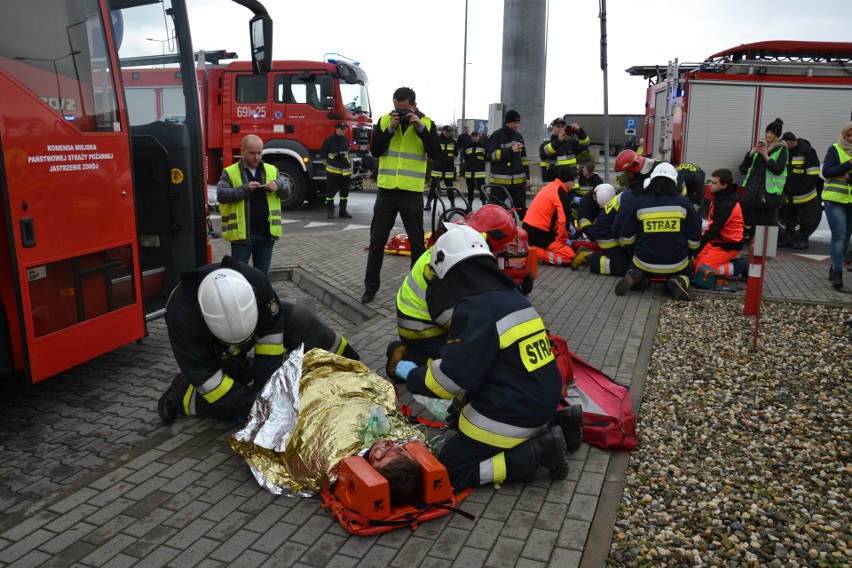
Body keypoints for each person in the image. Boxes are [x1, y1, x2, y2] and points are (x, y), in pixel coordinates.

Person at [393, 226, 570, 489]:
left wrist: (412, 375)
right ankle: (564, 422)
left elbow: (450, 381)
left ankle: (536, 454)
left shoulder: (474, 310)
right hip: (543, 398)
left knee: (448, 469)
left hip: (516, 412)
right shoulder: (511, 296)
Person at [157, 256, 360, 424]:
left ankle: (350, 362)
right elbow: (205, 375)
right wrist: (250, 408)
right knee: (221, 396)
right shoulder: (181, 316)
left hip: (255, 325)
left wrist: (266, 388)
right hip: (216, 350)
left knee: (299, 319)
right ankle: (178, 393)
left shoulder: (254, 281)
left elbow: (270, 340)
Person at [230, 348, 427, 505]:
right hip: (340, 383)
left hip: (307, 391)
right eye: (398, 448)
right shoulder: (399, 440)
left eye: (383, 453)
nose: (387, 443)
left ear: (372, 470)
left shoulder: (332, 463)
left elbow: (307, 445)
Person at [389, 204, 520, 372]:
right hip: (420, 329)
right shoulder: (461, 260)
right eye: (502, 248)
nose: (500, 253)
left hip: (422, 319)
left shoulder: (461, 246)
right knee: (467, 363)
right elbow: (449, 311)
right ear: (491, 239)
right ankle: (404, 357)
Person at [362, 86, 441, 304]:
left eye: (404, 109)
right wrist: (390, 129)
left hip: (411, 193)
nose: (400, 113)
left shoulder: (427, 123)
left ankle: (418, 290)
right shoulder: (385, 120)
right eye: (397, 109)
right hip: (386, 191)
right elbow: (376, 151)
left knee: (417, 244)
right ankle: (370, 288)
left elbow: (436, 153)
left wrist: (421, 129)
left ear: (414, 105)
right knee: (377, 242)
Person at [614, 163, 703, 301]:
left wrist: (633, 249)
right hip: (676, 261)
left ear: (652, 180)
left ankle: (638, 278)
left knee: (632, 267)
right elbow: (695, 232)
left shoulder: (640, 202)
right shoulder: (683, 203)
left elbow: (626, 234)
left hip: (644, 260)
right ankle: (678, 281)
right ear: (675, 182)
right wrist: (691, 252)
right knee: (687, 273)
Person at [217, 134, 289, 275]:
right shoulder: (230, 172)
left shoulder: (272, 170)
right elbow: (222, 194)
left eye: (259, 153)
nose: (256, 157)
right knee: (238, 276)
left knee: (262, 276)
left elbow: (286, 191)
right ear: (242, 151)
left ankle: (260, 298)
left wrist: (278, 184)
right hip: (242, 237)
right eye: (252, 153)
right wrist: (245, 189)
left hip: (266, 235)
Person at [692, 169, 747, 284]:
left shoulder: (726, 204)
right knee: (697, 262)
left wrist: (697, 245)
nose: (710, 185)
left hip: (729, 244)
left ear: (724, 185)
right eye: (710, 181)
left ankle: (742, 266)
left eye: (714, 183)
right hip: (718, 242)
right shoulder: (721, 198)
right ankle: (727, 262)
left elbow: (713, 229)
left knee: (701, 271)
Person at [739, 118, 788, 238]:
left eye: (773, 133)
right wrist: (752, 153)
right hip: (754, 189)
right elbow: (746, 166)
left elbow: (778, 169)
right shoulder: (760, 145)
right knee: (753, 220)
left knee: (766, 222)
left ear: (777, 136)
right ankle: (755, 249)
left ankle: (764, 251)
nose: (769, 135)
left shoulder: (782, 149)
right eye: (768, 132)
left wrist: (767, 157)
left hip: (769, 192)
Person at [521, 167, 578, 266]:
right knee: (568, 257)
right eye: (573, 181)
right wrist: (562, 241)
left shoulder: (552, 187)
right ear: (566, 181)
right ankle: (535, 252)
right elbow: (563, 220)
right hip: (538, 232)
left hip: (531, 229)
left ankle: (533, 248)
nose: (574, 184)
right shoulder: (560, 193)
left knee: (565, 250)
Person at [778, 131, 822, 249]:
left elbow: (813, 173)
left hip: (804, 194)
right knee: (789, 217)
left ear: (792, 142)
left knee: (805, 218)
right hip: (789, 194)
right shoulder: (787, 151)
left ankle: (803, 240)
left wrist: (803, 189)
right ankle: (788, 238)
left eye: (786, 143)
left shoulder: (807, 151)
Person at [822, 121, 852, 289]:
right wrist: (848, 165)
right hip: (834, 199)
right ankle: (838, 274)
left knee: (847, 236)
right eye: (848, 135)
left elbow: (839, 174)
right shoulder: (835, 149)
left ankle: (834, 266)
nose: (851, 138)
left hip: (851, 201)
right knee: (839, 235)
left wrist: (848, 177)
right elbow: (827, 172)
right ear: (843, 136)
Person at [488, 109, 530, 219]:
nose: (517, 125)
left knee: (522, 211)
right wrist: (510, 150)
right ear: (507, 122)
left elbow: (524, 159)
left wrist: (527, 176)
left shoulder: (518, 137)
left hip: (518, 183)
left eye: (518, 123)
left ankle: (525, 234)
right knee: (494, 211)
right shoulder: (496, 136)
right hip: (499, 183)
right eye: (514, 123)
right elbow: (492, 156)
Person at [320, 122, 353, 219]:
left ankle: (343, 211)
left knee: (344, 194)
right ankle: (330, 211)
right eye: (342, 128)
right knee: (330, 193)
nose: (344, 130)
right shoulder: (329, 141)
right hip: (333, 172)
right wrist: (329, 165)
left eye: (344, 129)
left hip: (345, 172)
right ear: (336, 129)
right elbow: (323, 156)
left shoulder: (346, 140)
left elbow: (348, 154)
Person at [425, 125, 458, 210]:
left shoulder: (453, 142)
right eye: (446, 131)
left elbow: (455, 153)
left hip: (448, 169)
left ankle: (452, 204)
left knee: (450, 188)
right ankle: (428, 203)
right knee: (433, 187)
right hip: (438, 168)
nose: (448, 133)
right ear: (443, 131)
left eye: (449, 132)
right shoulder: (437, 140)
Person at [462, 131, 488, 210]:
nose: (474, 137)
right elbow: (465, 158)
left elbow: (487, 158)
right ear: (471, 137)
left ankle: (484, 204)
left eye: (476, 136)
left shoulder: (483, 146)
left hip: (480, 173)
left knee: (482, 189)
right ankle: (469, 205)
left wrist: (481, 158)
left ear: (479, 137)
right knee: (470, 190)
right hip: (469, 173)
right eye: (473, 136)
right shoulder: (467, 147)